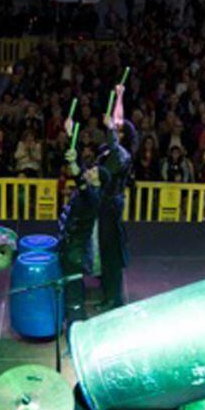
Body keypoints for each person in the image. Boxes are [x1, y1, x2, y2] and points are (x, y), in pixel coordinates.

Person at [58, 145, 103, 338]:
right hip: (71, 247)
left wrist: (73, 163)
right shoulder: (88, 193)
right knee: (73, 290)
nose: (90, 171)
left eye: (94, 171)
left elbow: (79, 178)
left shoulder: (91, 196)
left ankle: (75, 337)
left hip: (75, 251)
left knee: (74, 295)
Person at [96, 84, 131, 310]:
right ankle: (108, 288)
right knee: (104, 251)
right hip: (104, 205)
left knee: (111, 254)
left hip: (112, 205)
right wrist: (119, 96)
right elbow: (117, 121)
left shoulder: (121, 155)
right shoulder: (110, 150)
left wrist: (111, 129)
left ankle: (113, 298)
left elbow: (116, 127)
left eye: (117, 130)